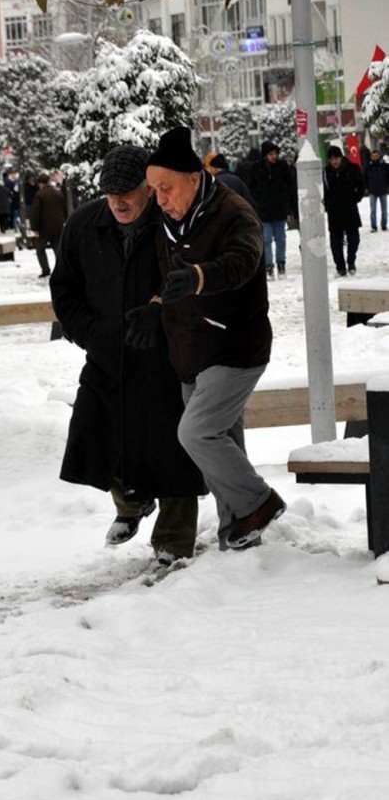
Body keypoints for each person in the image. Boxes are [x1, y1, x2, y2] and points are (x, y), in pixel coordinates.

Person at [128, 125, 285, 551]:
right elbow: (169, 279)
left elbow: (245, 261)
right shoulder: (167, 220)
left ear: (194, 178)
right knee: (222, 445)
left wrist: (199, 277)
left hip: (235, 347)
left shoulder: (233, 211)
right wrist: (157, 306)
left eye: (167, 188)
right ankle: (237, 534)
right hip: (189, 350)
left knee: (196, 433)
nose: (160, 199)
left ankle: (260, 503)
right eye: (154, 190)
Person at [50, 145, 205, 566]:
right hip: (107, 354)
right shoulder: (84, 224)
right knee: (96, 432)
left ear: (148, 189)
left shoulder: (170, 223)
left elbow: (192, 282)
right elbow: (63, 289)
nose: (118, 201)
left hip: (164, 358)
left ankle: (173, 543)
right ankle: (132, 503)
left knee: (173, 451)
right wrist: (91, 334)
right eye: (110, 192)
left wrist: (162, 319)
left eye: (128, 192)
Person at [249, 140, 296, 278]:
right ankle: (269, 266)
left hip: (279, 210)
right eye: (271, 154)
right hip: (263, 211)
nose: (274, 156)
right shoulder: (257, 168)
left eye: (275, 153)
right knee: (267, 239)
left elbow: (289, 186)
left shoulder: (282, 166)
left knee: (281, 238)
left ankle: (281, 264)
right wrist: (257, 204)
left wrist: (287, 208)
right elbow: (251, 188)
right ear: (265, 155)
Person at [323, 145, 365, 276]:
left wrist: (355, 198)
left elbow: (361, 185)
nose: (334, 161)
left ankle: (351, 261)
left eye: (336, 158)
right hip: (334, 212)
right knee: (336, 242)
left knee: (354, 239)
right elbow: (322, 190)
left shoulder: (352, 169)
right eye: (331, 159)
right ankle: (340, 266)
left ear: (341, 157)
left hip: (350, 209)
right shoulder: (325, 172)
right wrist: (327, 203)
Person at [30, 173, 68, 278]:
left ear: (40, 183)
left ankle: (45, 270)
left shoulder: (39, 195)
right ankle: (62, 270)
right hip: (58, 226)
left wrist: (35, 228)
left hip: (43, 228)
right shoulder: (58, 193)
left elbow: (36, 212)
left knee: (40, 250)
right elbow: (64, 209)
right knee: (58, 249)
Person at [364, 148, 389, 233]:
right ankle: (374, 226)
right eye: (373, 156)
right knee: (373, 210)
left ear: (379, 156)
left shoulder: (385, 166)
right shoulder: (368, 167)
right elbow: (365, 178)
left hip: (383, 190)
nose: (374, 157)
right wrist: (366, 188)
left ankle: (384, 225)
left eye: (376, 156)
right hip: (372, 191)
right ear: (371, 157)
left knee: (384, 210)